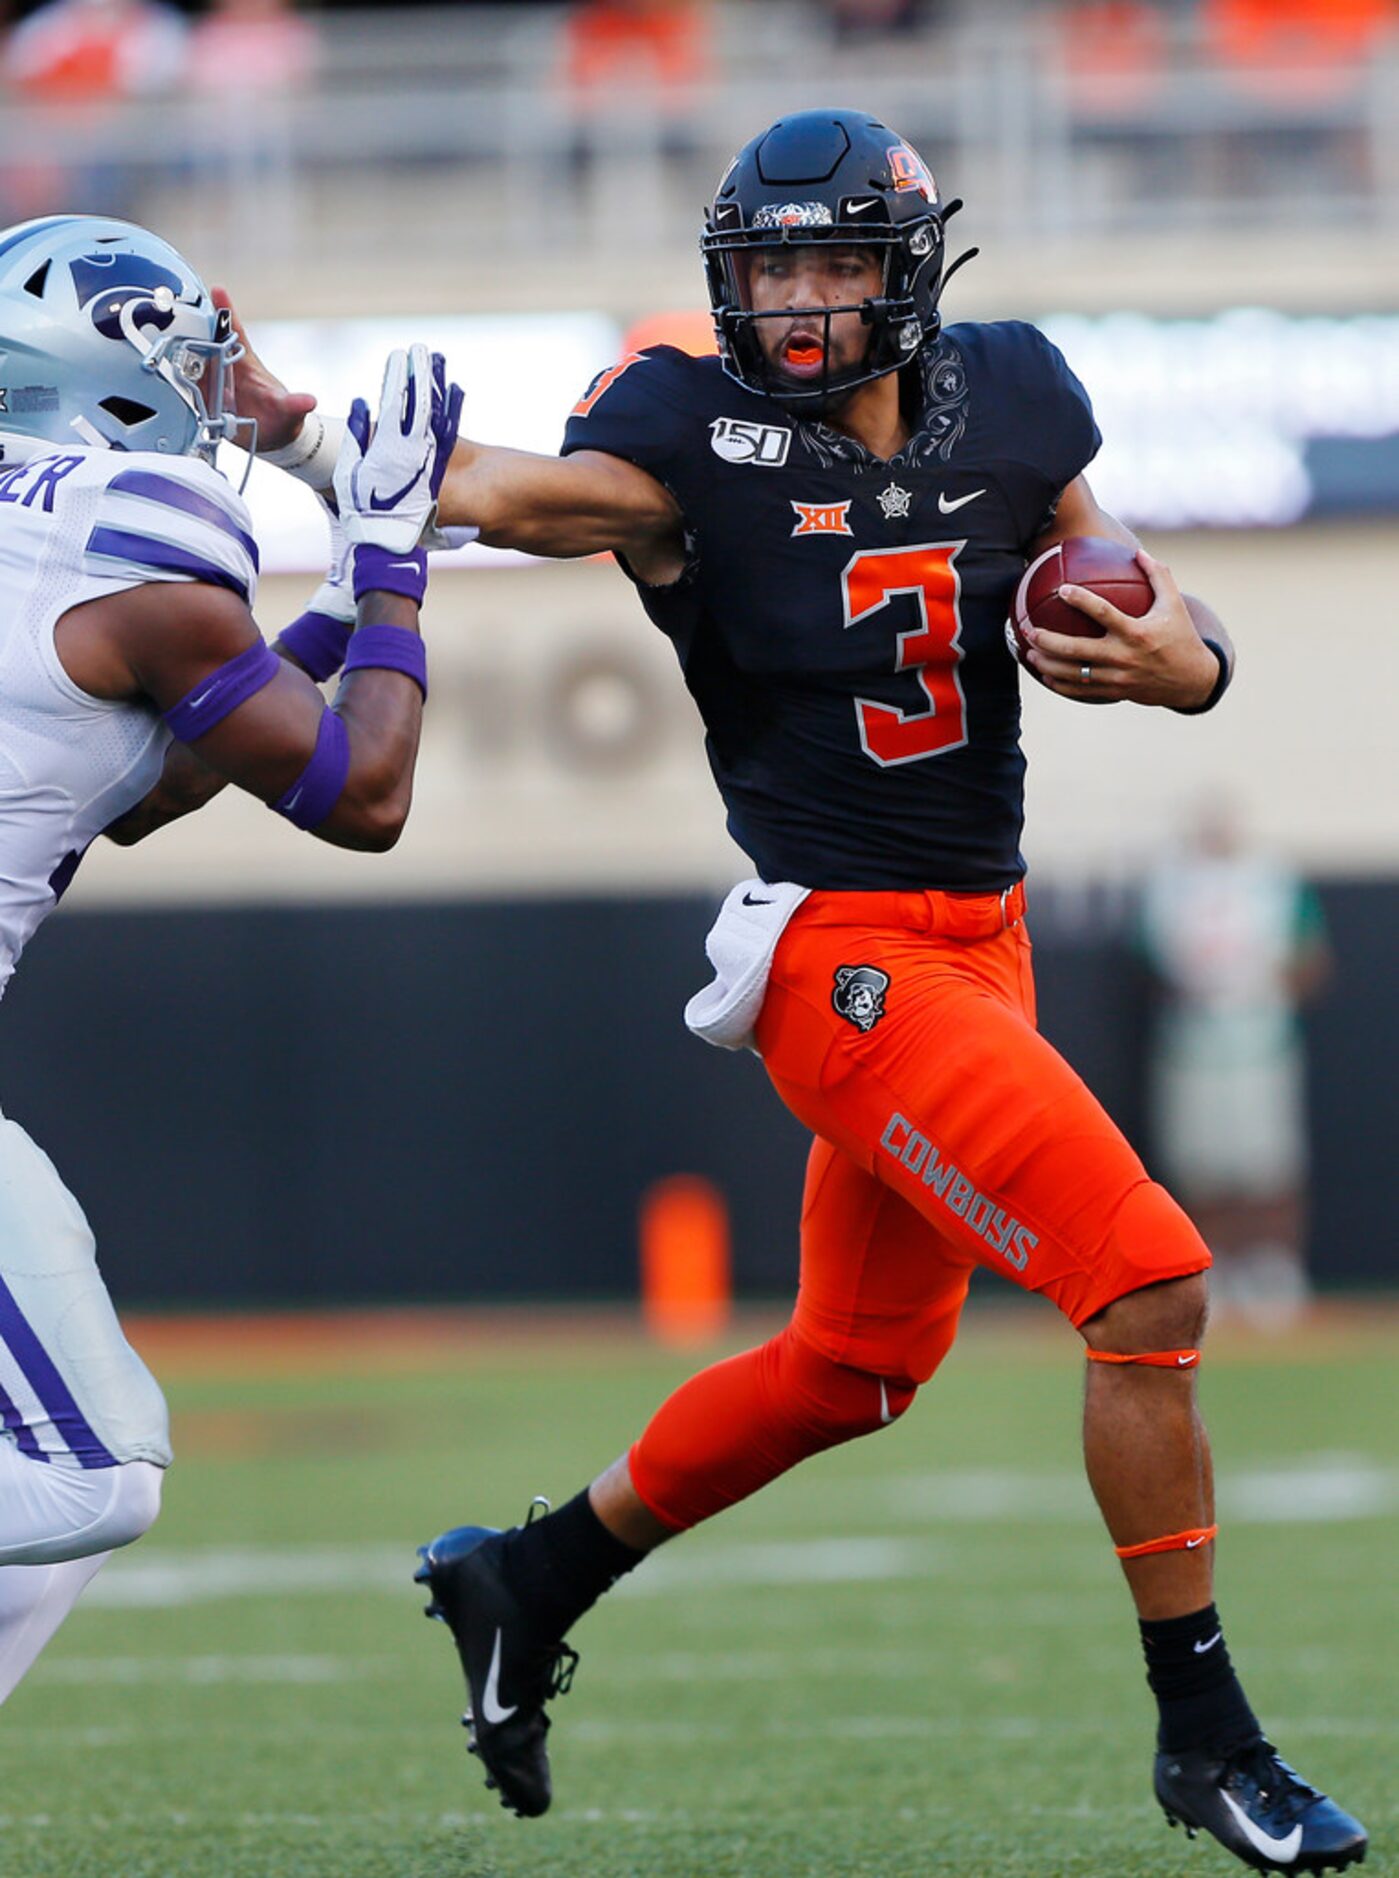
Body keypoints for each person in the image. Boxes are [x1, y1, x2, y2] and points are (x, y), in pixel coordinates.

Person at [228, 107, 1365, 1872]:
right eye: (770, 266)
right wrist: (304, 434)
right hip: (838, 956)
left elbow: (1135, 581)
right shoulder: (694, 432)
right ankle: (1205, 1734)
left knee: (854, 1361)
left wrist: (1183, 661)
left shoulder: (1017, 396)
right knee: (1142, 1281)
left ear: (908, 273)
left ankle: (523, 1574)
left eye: (836, 261)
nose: (801, 301)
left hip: (981, 945)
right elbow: (530, 496)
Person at [0, 213, 459, 1706]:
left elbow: (143, 783)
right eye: (183, 352)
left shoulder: (63, 549)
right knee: (92, 1477)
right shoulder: (128, 527)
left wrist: (332, 608)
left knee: (46, 1504)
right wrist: (387, 559)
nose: (209, 385)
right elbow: (362, 796)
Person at [1140, 802, 1333, 1329]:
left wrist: (1268, 992)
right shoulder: (1170, 886)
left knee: (1269, 1162)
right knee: (1201, 1164)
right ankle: (1212, 1268)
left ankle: (1274, 1269)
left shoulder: (1271, 881)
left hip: (1261, 1043)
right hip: (1194, 1046)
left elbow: (1311, 954)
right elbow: (1150, 960)